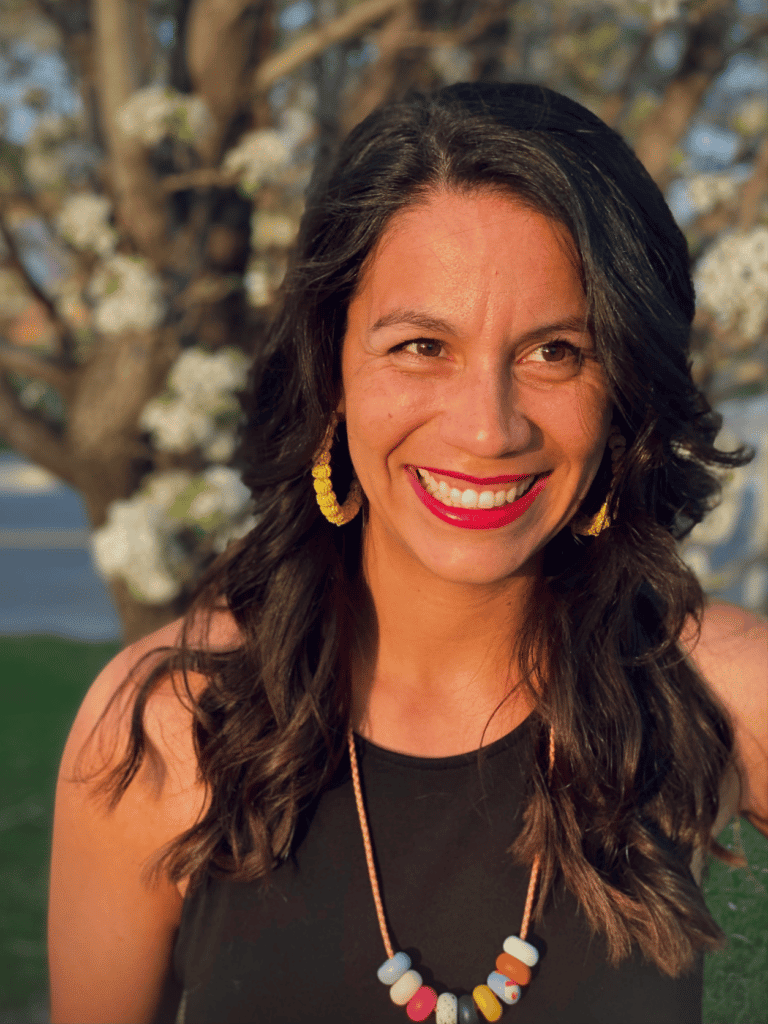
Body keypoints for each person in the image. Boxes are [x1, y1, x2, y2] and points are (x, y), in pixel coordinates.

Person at [48, 83, 767, 1024]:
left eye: (555, 352)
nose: (487, 429)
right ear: (331, 365)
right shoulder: (165, 729)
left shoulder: (717, 688)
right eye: (422, 345)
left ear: (624, 383)